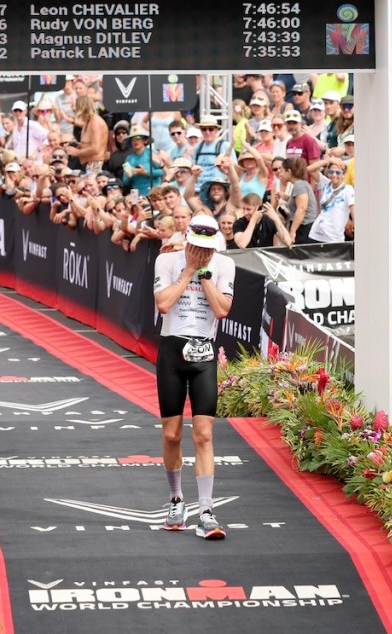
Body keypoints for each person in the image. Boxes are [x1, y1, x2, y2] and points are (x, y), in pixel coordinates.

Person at [153, 214, 235, 541]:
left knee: (203, 434)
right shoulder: (167, 260)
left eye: (207, 249)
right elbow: (163, 304)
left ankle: (206, 511)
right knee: (172, 435)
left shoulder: (224, 264)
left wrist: (205, 276)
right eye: (196, 248)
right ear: (186, 241)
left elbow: (222, 310)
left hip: (204, 353)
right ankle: (176, 501)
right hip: (172, 351)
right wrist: (187, 272)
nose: (203, 254)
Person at [308, 158, 355, 243]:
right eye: (331, 172)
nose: (334, 175)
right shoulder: (325, 183)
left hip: (334, 238)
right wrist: (329, 161)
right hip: (316, 234)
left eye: (338, 172)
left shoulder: (348, 189)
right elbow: (309, 169)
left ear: (343, 174)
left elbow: (353, 210)